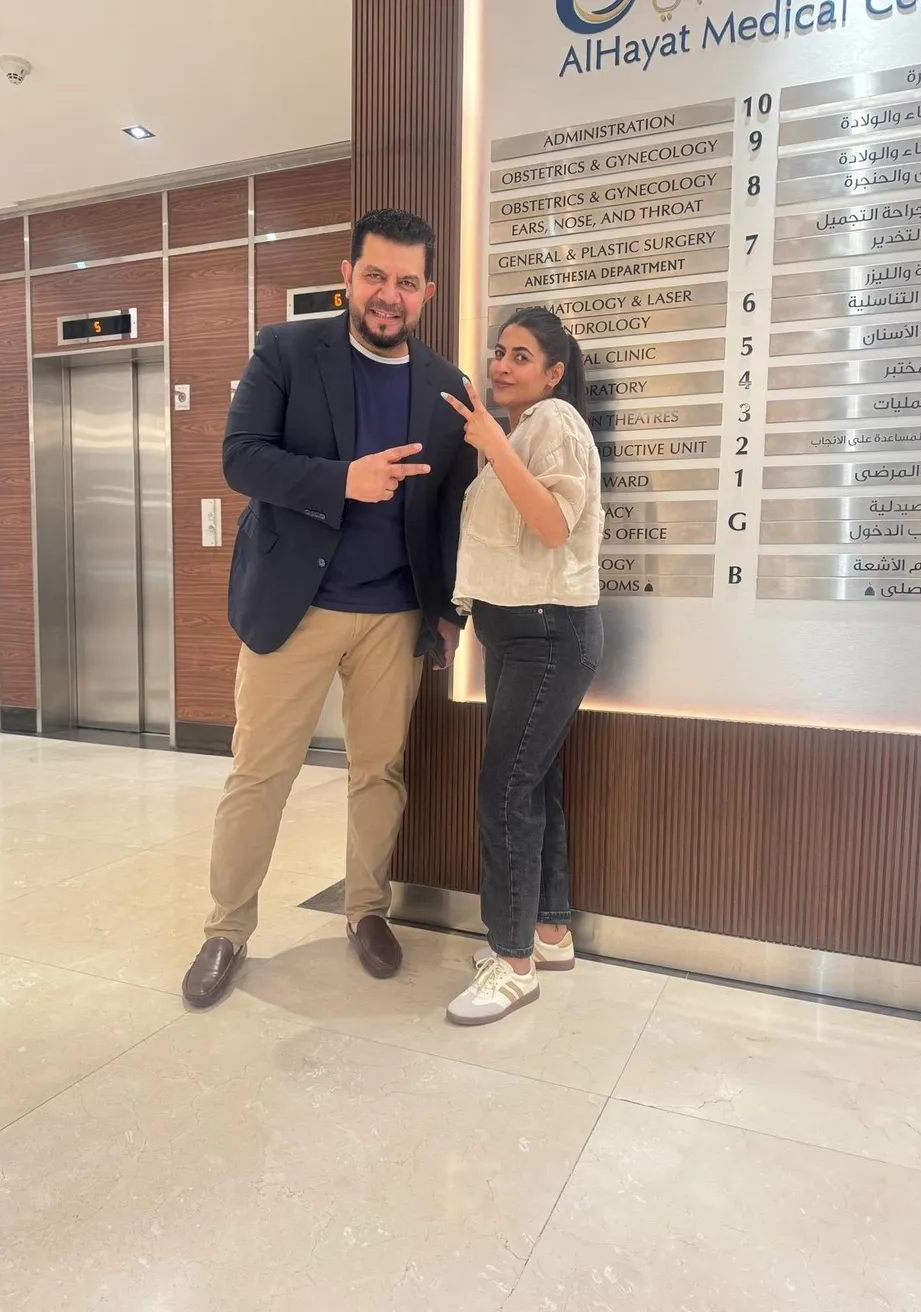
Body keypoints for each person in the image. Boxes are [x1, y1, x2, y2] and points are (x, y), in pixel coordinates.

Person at [182, 208, 476, 1007]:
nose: (388, 295)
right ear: (347, 276)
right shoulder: (285, 350)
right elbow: (240, 459)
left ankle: (366, 910)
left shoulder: (447, 385)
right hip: (295, 607)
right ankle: (226, 929)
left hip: (394, 616)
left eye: (406, 282)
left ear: (427, 292)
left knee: (378, 771)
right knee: (260, 772)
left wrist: (446, 611)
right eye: (375, 275)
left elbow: (450, 507)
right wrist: (342, 480)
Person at [441, 307, 604, 1026]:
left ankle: (512, 966)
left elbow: (553, 524)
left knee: (504, 790)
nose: (501, 365)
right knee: (531, 785)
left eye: (520, 356)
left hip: (547, 632)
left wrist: (490, 444)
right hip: (521, 631)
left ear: (554, 373)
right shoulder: (521, 431)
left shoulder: (553, 422)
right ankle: (548, 934)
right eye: (498, 352)